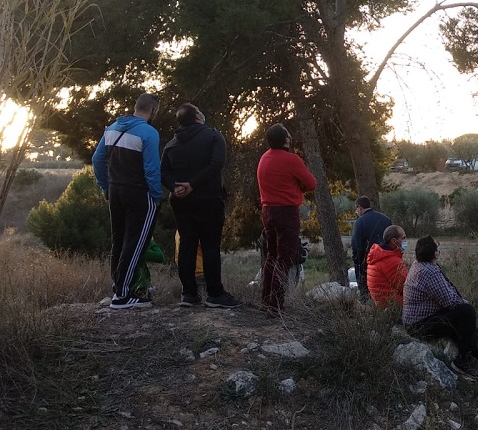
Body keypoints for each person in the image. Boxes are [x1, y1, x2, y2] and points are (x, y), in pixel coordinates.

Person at [160, 103, 241, 309]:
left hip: (180, 201)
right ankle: (215, 294)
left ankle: (188, 294)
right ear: (197, 117)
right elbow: (217, 164)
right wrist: (193, 184)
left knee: (187, 245)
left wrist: (175, 187)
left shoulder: (171, 144)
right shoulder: (213, 136)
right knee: (210, 246)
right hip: (208, 199)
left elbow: (163, 172)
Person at [403, 236, 478, 379]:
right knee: (466, 312)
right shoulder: (429, 272)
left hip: (419, 321)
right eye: (437, 247)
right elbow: (450, 301)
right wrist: (464, 302)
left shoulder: (420, 265)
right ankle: (464, 359)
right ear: (435, 253)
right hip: (420, 325)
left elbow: (446, 294)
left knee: (462, 324)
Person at [92, 92, 162, 310]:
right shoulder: (149, 133)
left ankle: (118, 287)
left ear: (136, 107)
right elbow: (151, 169)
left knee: (119, 241)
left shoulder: (112, 128)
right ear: (153, 110)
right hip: (139, 194)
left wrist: (105, 187)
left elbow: (97, 159)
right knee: (135, 243)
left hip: (116, 191)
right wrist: (157, 196)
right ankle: (123, 296)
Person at [256, 123, 316, 312]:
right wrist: (298, 187)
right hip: (287, 213)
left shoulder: (264, 158)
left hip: (267, 211)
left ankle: (266, 299)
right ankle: (276, 304)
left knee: (271, 255)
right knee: (285, 258)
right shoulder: (291, 160)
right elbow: (311, 183)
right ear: (286, 140)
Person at [350, 196, 392, 300]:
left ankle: (368, 306)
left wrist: (358, 263)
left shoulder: (360, 222)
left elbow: (357, 246)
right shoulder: (385, 219)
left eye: (356, 209)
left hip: (368, 263)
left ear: (360, 207)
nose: (356, 212)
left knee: (366, 293)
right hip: (388, 260)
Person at [366, 225, 408, 308]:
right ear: (394, 241)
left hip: (382, 303)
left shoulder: (377, 256)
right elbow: (406, 287)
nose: (405, 241)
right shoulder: (392, 261)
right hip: (395, 304)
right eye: (403, 238)